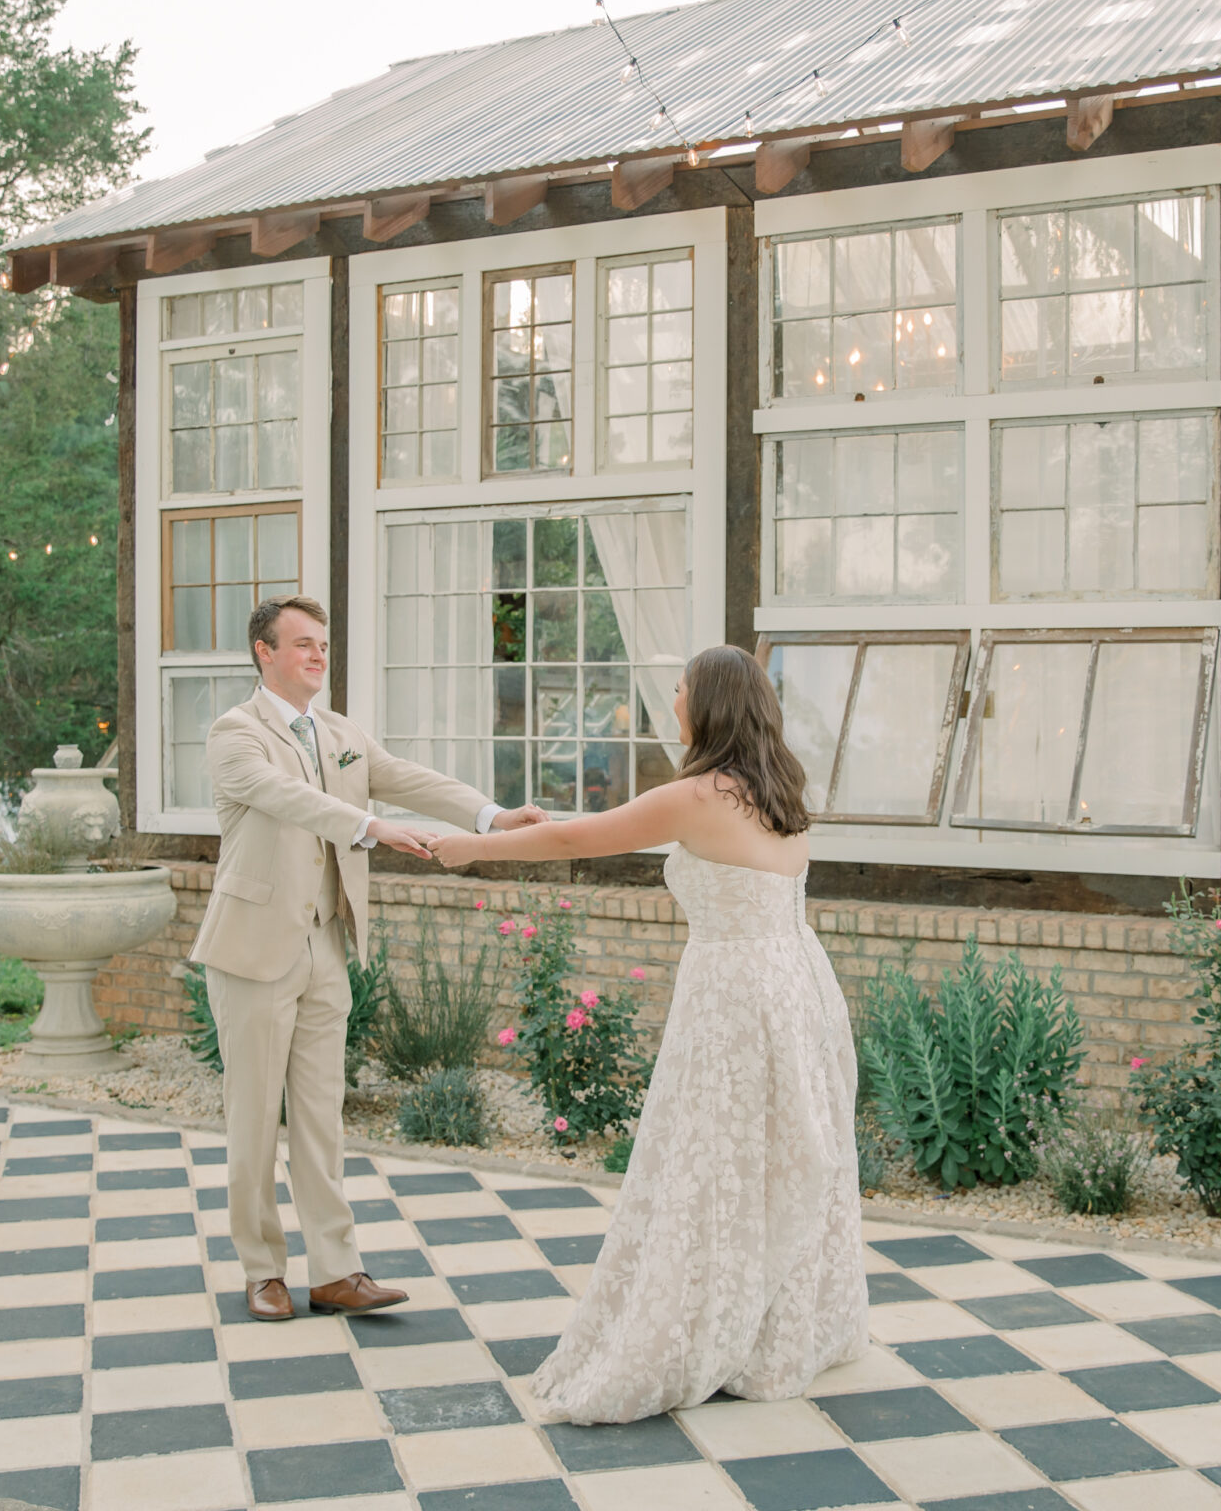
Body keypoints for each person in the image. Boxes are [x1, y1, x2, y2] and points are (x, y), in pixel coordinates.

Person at [434, 644, 866, 1423]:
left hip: (736, 994)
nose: (672, 702)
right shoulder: (781, 788)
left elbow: (576, 839)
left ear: (709, 707)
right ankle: (773, 1327)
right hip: (797, 984)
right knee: (771, 1156)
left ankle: (707, 1327)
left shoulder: (698, 795)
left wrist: (477, 847)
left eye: (679, 691)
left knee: (713, 1160)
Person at [193, 594, 543, 1322]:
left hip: (327, 944)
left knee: (322, 1117)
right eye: (302, 645)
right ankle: (262, 1270)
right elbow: (286, 798)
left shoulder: (341, 733)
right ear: (265, 652)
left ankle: (335, 1271)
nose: (318, 655)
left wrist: (491, 816)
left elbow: (410, 778)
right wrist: (372, 827)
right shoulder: (235, 734)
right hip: (254, 949)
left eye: (323, 644)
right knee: (253, 1120)